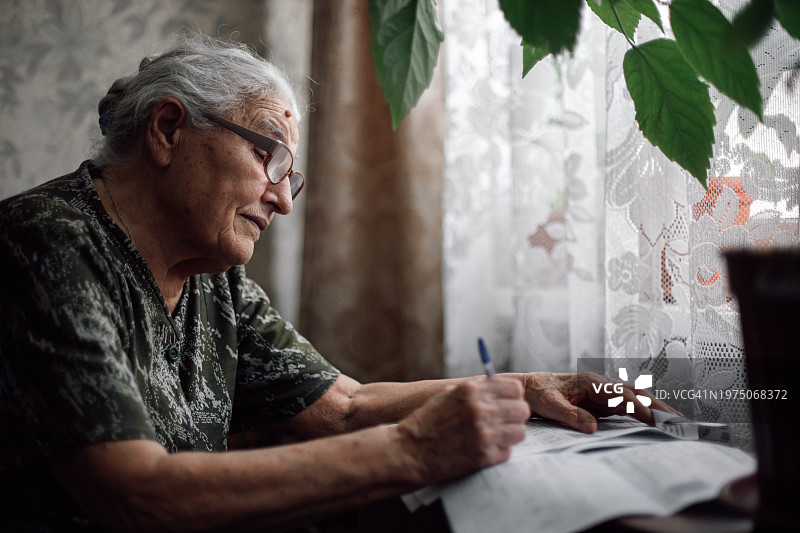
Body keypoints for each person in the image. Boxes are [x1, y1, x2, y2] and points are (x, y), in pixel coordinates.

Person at [0, 33, 676, 533]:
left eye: (289, 175)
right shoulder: (48, 241)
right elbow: (134, 493)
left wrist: (529, 387)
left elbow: (346, 406)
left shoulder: (214, 279)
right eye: (269, 156)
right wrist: (411, 449)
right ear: (170, 128)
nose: (283, 201)